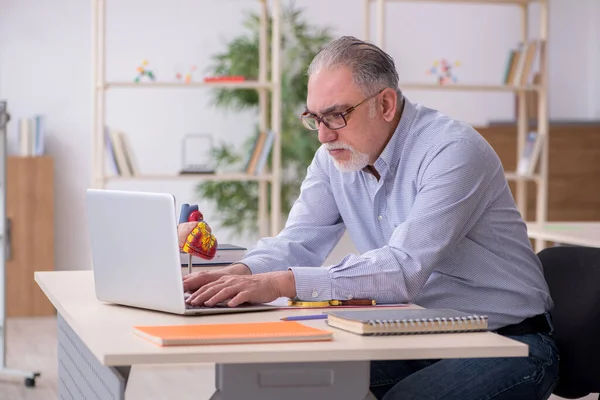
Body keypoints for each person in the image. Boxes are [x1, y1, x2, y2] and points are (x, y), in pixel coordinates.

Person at [178, 36, 558, 400]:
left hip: (507, 341)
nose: (323, 136)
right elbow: (297, 241)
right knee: (275, 380)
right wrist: (242, 274)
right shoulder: (334, 157)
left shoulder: (452, 151)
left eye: (337, 115)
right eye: (315, 118)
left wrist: (280, 283)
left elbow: (402, 270)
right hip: (414, 334)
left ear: (387, 104)